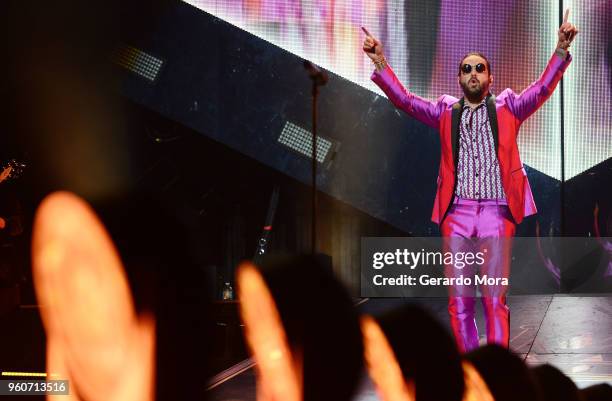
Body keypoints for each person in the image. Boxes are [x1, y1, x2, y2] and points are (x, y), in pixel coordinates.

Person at [361, 10, 578, 352]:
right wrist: (381, 63)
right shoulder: (445, 112)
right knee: (459, 301)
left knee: (494, 298)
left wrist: (560, 52)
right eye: (467, 69)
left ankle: (497, 371)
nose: (473, 73)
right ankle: (469, 366)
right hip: (457, 214)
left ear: (490, 78)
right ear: (459, 79)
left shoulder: (509, 107)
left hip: (496, 213)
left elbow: (541, 89)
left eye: (480, 68)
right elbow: (404, 100)